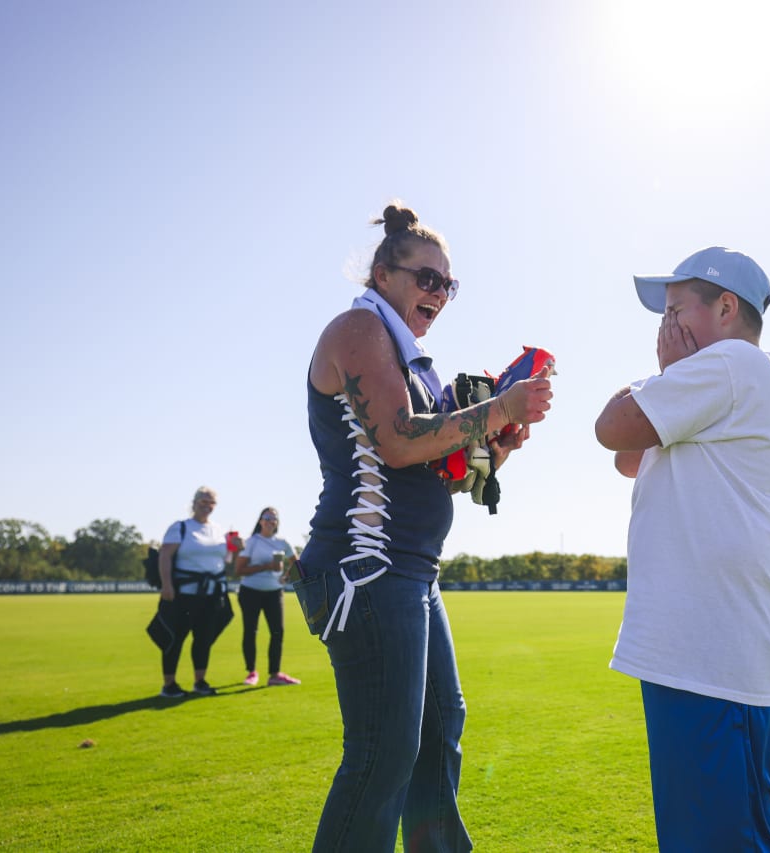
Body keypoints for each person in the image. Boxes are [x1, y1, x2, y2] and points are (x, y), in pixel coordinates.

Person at [292, 202, 553, 852]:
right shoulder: (359, 328)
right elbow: (399, 440)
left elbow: (444, 476)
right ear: (383, 274)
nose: (438, 292)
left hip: (411, 573)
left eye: (448, 283)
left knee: (438, 732)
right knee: (383, 753)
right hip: (365, 570)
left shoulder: (414, 361)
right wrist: (499, 407)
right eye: (426, 278)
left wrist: (497, 444)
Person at [595, 246, 770, 852]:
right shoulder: (719, 378)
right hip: (701, 654)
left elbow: (610, 427)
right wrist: (670, 377)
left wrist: (663, 374)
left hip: (711, 658)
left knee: (724, 840)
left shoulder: (733, 363)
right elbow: (629, 458)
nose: (666, 327)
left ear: (726, 308)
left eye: (676, 310)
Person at [157, 486, 239, 698]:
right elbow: (165, 556)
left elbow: (224, 561)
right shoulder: (180, 527)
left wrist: (236, 548)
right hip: (184, 594)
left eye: (211, 502)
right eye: (203, 501)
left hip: (212, 595)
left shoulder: (218, 530)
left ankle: (200, 681)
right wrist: (167, 585)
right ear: (194, 502)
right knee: (175, 638)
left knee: (204, 639)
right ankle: (169, 684)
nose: (207, 506)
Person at [234, 507, 300, 687]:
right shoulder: (252, 542)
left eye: (274, 518)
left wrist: (286, 577)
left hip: (274, 592)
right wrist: (267, 567)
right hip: (250, 591)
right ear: (260, 521)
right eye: (267, 517)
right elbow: (239, 570)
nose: (270, 521)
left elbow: (296, 564)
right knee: (250, 631)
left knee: (278, 632)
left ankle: (275, 675)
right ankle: (251, 672)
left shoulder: (283, 542)